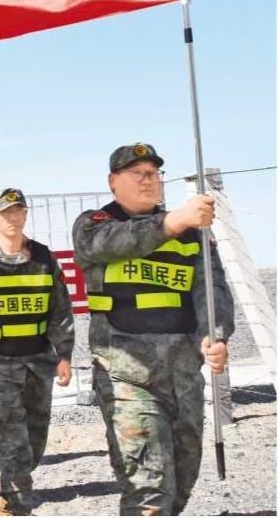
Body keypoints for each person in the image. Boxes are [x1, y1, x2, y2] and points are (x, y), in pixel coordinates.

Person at [73, 142, 235, 516]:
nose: (148, 181)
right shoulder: (95, 225)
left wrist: (215, 334)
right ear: (113, 181)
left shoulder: (192, 234)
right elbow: (116, 242)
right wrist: (174, 221)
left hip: (183, 376)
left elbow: (211, 288)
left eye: (153, 174)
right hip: (127, 380)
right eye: (137, 174)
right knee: (149, 490)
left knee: (180, 481)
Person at [0, 188, 75, 516]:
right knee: (10, 437)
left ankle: (10, 490)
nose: (13, 219)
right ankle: (14, 505)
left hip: (38, 361)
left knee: (35, 438)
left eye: (18, 211)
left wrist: (65, 354)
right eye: (6, 213)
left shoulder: (43, 258)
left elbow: (60, 310)